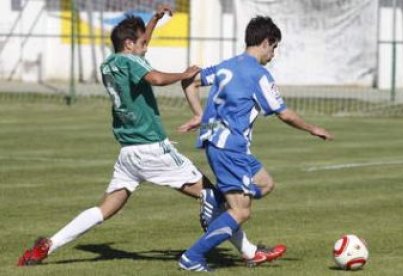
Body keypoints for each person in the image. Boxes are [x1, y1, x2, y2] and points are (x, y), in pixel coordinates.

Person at [17, 7, 283, 267]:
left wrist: (154, 19)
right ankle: (245, 253)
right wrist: (184, 74)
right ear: (130, 44)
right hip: (152, 149)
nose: (147, 46)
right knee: (215, 196)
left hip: (128, 153)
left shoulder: (110, 63)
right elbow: (155, 78)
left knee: (104, 210)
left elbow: (140, 51)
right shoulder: (131, 62)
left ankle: (49, 245)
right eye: (142, 43)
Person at [177, 16, 334, 272]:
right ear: (265, 42)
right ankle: (192, 256)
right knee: (241, 212)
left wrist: (200, 115)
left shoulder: (226, 65)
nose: (273, 54)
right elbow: (284, 113)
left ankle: (222, 204)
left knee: (265, 183)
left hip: (219, 142)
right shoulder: (259, 74)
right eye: (274, 48)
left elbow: (189, 81)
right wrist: (313, 128)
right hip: (230, 147)